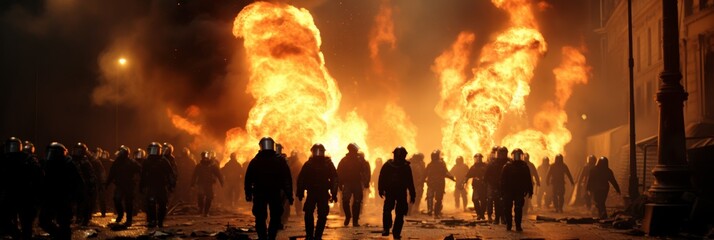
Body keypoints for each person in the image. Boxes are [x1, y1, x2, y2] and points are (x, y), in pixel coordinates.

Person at [245, 137, 293, 240]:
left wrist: (248, 193)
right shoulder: (279, 161)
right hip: (273, 193)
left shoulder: (256, 161)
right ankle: (270, 237)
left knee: (261, 217)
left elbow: (248, 179)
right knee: (273, 217)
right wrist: (289, 194)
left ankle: (264, 237)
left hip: (261, 193)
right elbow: (286, 179)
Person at [39, 142, 84, 239]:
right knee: (44, 221)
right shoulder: (46, 163)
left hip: (64, 198)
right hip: (50, 197)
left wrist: (77, 198)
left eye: (53, 152)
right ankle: (58, 236)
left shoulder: (68, 164)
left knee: (64, 223)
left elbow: (78, 181)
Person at [1, 138, 43, 239]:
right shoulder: (5, 159)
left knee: (26, 225)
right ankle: (18, 235)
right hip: (12, 195)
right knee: (6, 221)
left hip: (24, 196)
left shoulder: (27, 159)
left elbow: (38, 175)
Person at [296, 143, 337, 240]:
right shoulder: (308, 164)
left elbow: (334, 178)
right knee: (309, 213)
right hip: (312, 192)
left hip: (322, 193)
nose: (318, 154)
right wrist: (300, 191)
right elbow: (301, 178)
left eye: (320, 151)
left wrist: (334, 192)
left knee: (322, 214)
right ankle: (310, 235)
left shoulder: (328, 164)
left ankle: (317, 235)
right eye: (316, 151)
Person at [378, 146, 416, 240]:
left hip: (400, 192)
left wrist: (412, 193)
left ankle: (394, 231)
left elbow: (410, 182)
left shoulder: (405, 167)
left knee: (399, 213)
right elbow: (382, 177)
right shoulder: (388, 165)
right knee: (389, 211)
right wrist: (380, 188)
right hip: (392, 192)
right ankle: (388, 229)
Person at [140, 142, 174, 228]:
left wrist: (171, 184)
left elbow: (170, 173)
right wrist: (142, 185)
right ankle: (152, 220)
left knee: (163, 204)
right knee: (151, 203)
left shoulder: (164, 161)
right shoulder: (147, 161)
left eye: (155, 150)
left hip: (161, 186)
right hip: (151, 186)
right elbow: (143, 174)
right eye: (152, 149)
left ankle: (160, 221)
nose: (153, 152)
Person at [106, 145, 141, 226]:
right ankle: (120, 214)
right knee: (116, 199)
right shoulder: (116, 162)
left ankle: (129, 220)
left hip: (129, 186)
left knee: (129, 203)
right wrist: (107, 183)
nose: (119, 154)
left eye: (121, 152)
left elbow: (140, 170)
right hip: (120, 185)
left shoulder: (131, 162)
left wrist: (137, 179)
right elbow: (112, 173)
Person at [337, 143, 371, 227]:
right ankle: (348, 216)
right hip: (347, 183)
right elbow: (339, 172)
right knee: (345, 201)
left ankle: (355, 221)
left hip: (357, 183)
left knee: (357, 202)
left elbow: (364, 171)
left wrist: (366, 182)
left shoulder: (360, 160)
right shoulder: (344, 160)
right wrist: (340, 183)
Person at [500, 149, 533, 231]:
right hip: (509, 190)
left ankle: (518, 225)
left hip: (519, 190)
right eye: (516, 155)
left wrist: (530, 190)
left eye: (519, 155)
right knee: (507, 208)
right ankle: (509, 224)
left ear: (521, 156)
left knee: (518, 208)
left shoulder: (524, 166)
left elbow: (528, 179)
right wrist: (501, 191)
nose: (517, 157)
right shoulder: (507, 166)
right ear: (512, 156)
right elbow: (502, 180)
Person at [71, 142, 97, 226]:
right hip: (75, 184)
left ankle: (85, 219)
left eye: (79, 150)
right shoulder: (71, 160)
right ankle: (77, 217)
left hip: (84, 185)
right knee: (76, 202)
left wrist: (91, 185)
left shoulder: (85, 161)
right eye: (76, 150)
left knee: (85, 203)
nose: (76, 152)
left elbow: (91, 174)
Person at [192, 151, 224, 217]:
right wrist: (192, 184)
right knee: (200, 196)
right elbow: (194, 175)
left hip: (209, 184)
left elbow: (219, 174)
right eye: (204, 157)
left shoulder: (213, 166)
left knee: (209, 197)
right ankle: (201, 209)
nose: (205, 159)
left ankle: (206, 212)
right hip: (201, 183)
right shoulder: (199, 166)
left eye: (207, 157)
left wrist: (222, 182)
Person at [424, 150, 454, 218]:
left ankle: (431, 211)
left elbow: (425, 173)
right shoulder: (440, 164)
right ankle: (435, 213)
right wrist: (452, 177)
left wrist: (423, 180)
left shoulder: (431, 164)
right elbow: (446, 173)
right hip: (438, 184)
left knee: (431, 197)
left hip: (434, 184)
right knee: (437, 198)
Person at [485, 146, 508, 224]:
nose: (502, 155)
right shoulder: (493, 163)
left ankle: (503, 218)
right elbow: (487, 174)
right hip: (495, 186)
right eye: (500, 153)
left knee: (505, 203)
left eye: (503, 153)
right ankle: (497, 218)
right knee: (497, 203)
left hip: (505, 185)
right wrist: (490, 184)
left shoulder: (509, 163)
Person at [464, 153, 487, 220]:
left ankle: (482, 214)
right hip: (476, 186)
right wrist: (464, 182)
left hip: (483, 186)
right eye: (476, 158)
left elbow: (488, 175)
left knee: (483, 201)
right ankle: (479, 214)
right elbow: (468, 175)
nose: (478, 160)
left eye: (479, 158)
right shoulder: (473, 167)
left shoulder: (485, 166)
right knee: (475, 199)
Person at [90, 149, 107, 217]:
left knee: (101, 197)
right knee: (93, 197)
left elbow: (101, 172)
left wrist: (103, 182)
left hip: (99, 182)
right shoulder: (92, 161)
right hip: (94, 181)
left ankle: (103, 212)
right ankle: (93, 211)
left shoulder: (97, 162)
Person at [287, 151, 303, 216]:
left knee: (289, 197)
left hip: (292, 182)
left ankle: (286, 213)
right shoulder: (298, 163)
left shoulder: (289, 162)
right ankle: (298, 211)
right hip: (293, 182)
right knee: (297, 197)